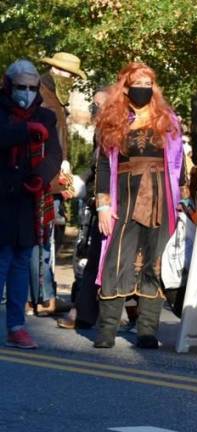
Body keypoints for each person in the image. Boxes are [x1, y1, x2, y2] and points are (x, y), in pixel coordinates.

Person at [93, 62, 187, 349]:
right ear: (126, 86)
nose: (143, 90)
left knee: (155, 262)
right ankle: (107, 330)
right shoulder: (114, 120)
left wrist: (182, 201)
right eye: (138, 84)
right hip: (125, 197)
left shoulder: (168, 120)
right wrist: (103, 206)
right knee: (116, 259)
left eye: (148, 85)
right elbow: (104, 167)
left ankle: (147, 330)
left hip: (162, 199)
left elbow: (179, 164)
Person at [0, 59, 62, 348]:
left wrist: (41, 177)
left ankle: (16, 325)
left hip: (27, 196)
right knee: (2, 260)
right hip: (2, 195)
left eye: (31, 87)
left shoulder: (46, 116)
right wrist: (24, 131)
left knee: (22, 261)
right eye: (20, 86)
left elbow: (54, 154)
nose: (25, 92)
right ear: (9, 85)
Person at [29, 52, 86, 316]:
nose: (72, 80)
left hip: (50, 177)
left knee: (44, 238)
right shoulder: (42, 93)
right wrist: (59, 168)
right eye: (69, 74)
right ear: (57, 71)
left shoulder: (54, 95)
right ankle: (40, 298)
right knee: (40, 239)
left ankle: (43, 295)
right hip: (43, 178)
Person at [57, 88, 108, 330]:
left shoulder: (115, 130)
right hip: (98, 203)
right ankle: (83, 310)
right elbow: (95, 166)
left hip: (111, 204)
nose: (93, 110)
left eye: (98, 105)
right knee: (89, 257)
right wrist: (81, 182)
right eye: (93, 105)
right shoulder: (101, 130)